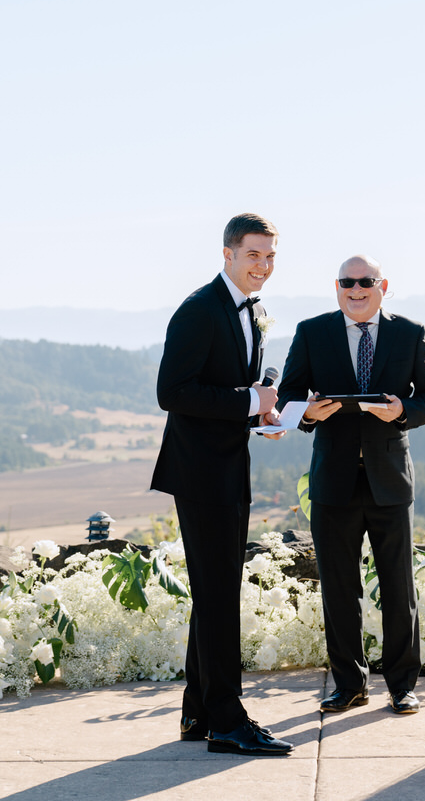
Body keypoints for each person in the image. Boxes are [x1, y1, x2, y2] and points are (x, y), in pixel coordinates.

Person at [278, 256, 425, 716]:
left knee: (398, 588)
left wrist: (403, 412)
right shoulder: (312, 332)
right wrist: (308, 414)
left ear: (383, 286)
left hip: (390, 481)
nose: (355, 290)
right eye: (346, 282)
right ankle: (349, 685)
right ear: (337, 287)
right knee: (338, 589)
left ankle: (402, 686)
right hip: (332, 482)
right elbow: (290, 397)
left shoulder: (410, 332)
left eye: (365, 282)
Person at [150, 213, 294, 756]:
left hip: (229, 466)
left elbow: (230, 388)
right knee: (217, 597)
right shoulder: (199, 309)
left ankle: (197, 712)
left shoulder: (251, 310)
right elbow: (173, 392)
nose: (264, 265)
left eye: (271, 256)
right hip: (201, 473)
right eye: (254, 255)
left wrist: (260, 414)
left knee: (215, 593)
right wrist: (246, 402)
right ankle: (229, 723)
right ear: (228, 254)